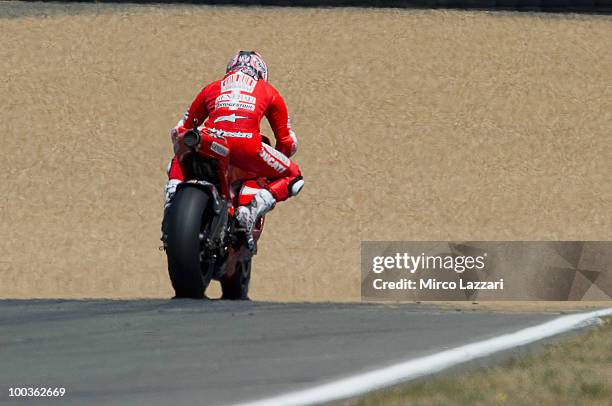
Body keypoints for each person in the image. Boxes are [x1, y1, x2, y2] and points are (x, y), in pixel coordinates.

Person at [164, 50, 304, 240]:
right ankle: (251, 211)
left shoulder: (212, 88)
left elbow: (179, 130)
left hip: (211, 142)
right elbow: (288, 142)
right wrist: (269, 171)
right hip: (248, 147)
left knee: (182, 152)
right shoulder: (268, 91)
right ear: (261, 72)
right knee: (294, 176)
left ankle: (171, 198)